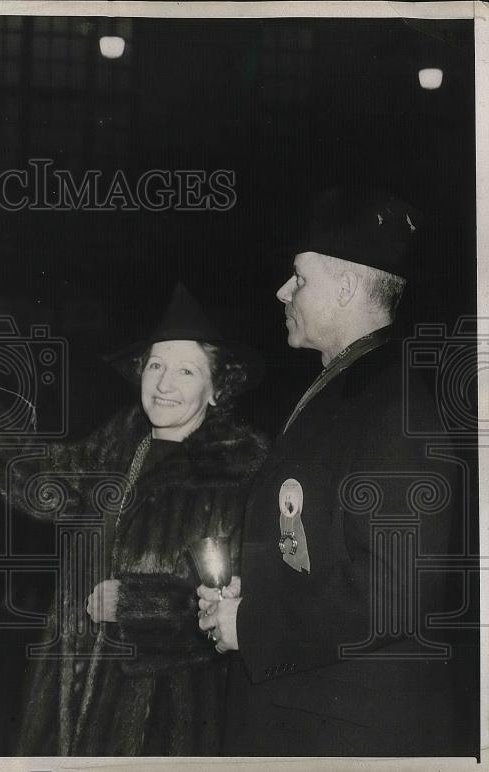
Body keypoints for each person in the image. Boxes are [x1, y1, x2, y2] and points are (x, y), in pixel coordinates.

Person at [198, 187, 462, 755]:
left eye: (299, 278)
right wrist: (259, 593)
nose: (282, 291)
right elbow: (326, 546)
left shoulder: (395, 409)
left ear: (345, 288)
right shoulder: (349, 387)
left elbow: (392, 592)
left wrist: (254, 627)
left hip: (341, 734)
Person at [0, 284, 268, 755]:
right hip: (72, 691)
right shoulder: (122, 443)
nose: (164, 384)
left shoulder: (240, 468)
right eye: (156, 365)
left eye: (186, 370)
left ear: (217, 388)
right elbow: (40, 480)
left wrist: (135, 606)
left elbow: (244, 608)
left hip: (166, 715)